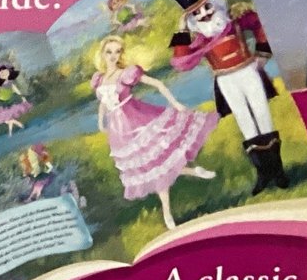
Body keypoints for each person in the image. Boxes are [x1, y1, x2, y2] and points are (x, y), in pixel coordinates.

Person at [167, 0, 286, 192]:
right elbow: (180, 61)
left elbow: (258, 23)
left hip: (248, 72)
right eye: (197, 12)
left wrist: (262, 53)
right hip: (226, 81)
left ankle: (278, 171)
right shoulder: (200, 40)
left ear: (215, 3)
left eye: (207, 7)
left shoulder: (235, 20)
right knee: (245, 121)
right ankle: (263, 173)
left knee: (263, 115)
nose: (205, 14)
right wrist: (181, 27)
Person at [90, 34, 215, 231]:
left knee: (158, 164)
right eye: (109, 52)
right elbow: (103, 103)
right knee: (151, 169)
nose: (113, 56)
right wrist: (100, 121)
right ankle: (194, 171)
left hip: (137, 118)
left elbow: (158, 84)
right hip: (119, 130)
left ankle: (167, 213)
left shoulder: (126, 74)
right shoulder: (99, 79)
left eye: (117, 52)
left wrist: (175, 103)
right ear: (102, 54)